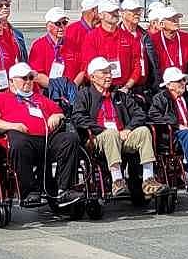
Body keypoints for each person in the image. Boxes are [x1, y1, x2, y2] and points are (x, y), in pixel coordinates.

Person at [0, 61, 84, 207]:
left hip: (47, 139)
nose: (29, 82)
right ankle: (29, 191)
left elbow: (59, 112)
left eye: (31, 78)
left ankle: (64, 189)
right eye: (24, 78)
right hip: (22, 139)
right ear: (12, 81)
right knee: (19, 141)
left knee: (70, 138)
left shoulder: (40, 98)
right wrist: (13, 126)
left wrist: (56, 116)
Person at [69, 57, 162, 197]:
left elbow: (140, 114)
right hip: (97, 139)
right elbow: (78, 117)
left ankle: (148, 179)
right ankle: (117, 180)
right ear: (93, 77)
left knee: (143, 131)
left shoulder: (119, 94)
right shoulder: (84, 95)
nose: (108, 76)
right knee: (111, 134)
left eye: (110, 72)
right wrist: (102, 130)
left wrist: (128, 129)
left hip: (122, 136)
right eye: (104, 72)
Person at [31, 7, 75, 102]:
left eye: (64, 23)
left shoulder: (72, 44)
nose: (62, 27)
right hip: (48, 93)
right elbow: (36, 75)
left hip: (71, 93)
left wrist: (72, 88)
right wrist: (57, 88)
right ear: (48, 26)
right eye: (58, 24)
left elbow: (81, 69)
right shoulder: (38, 45)